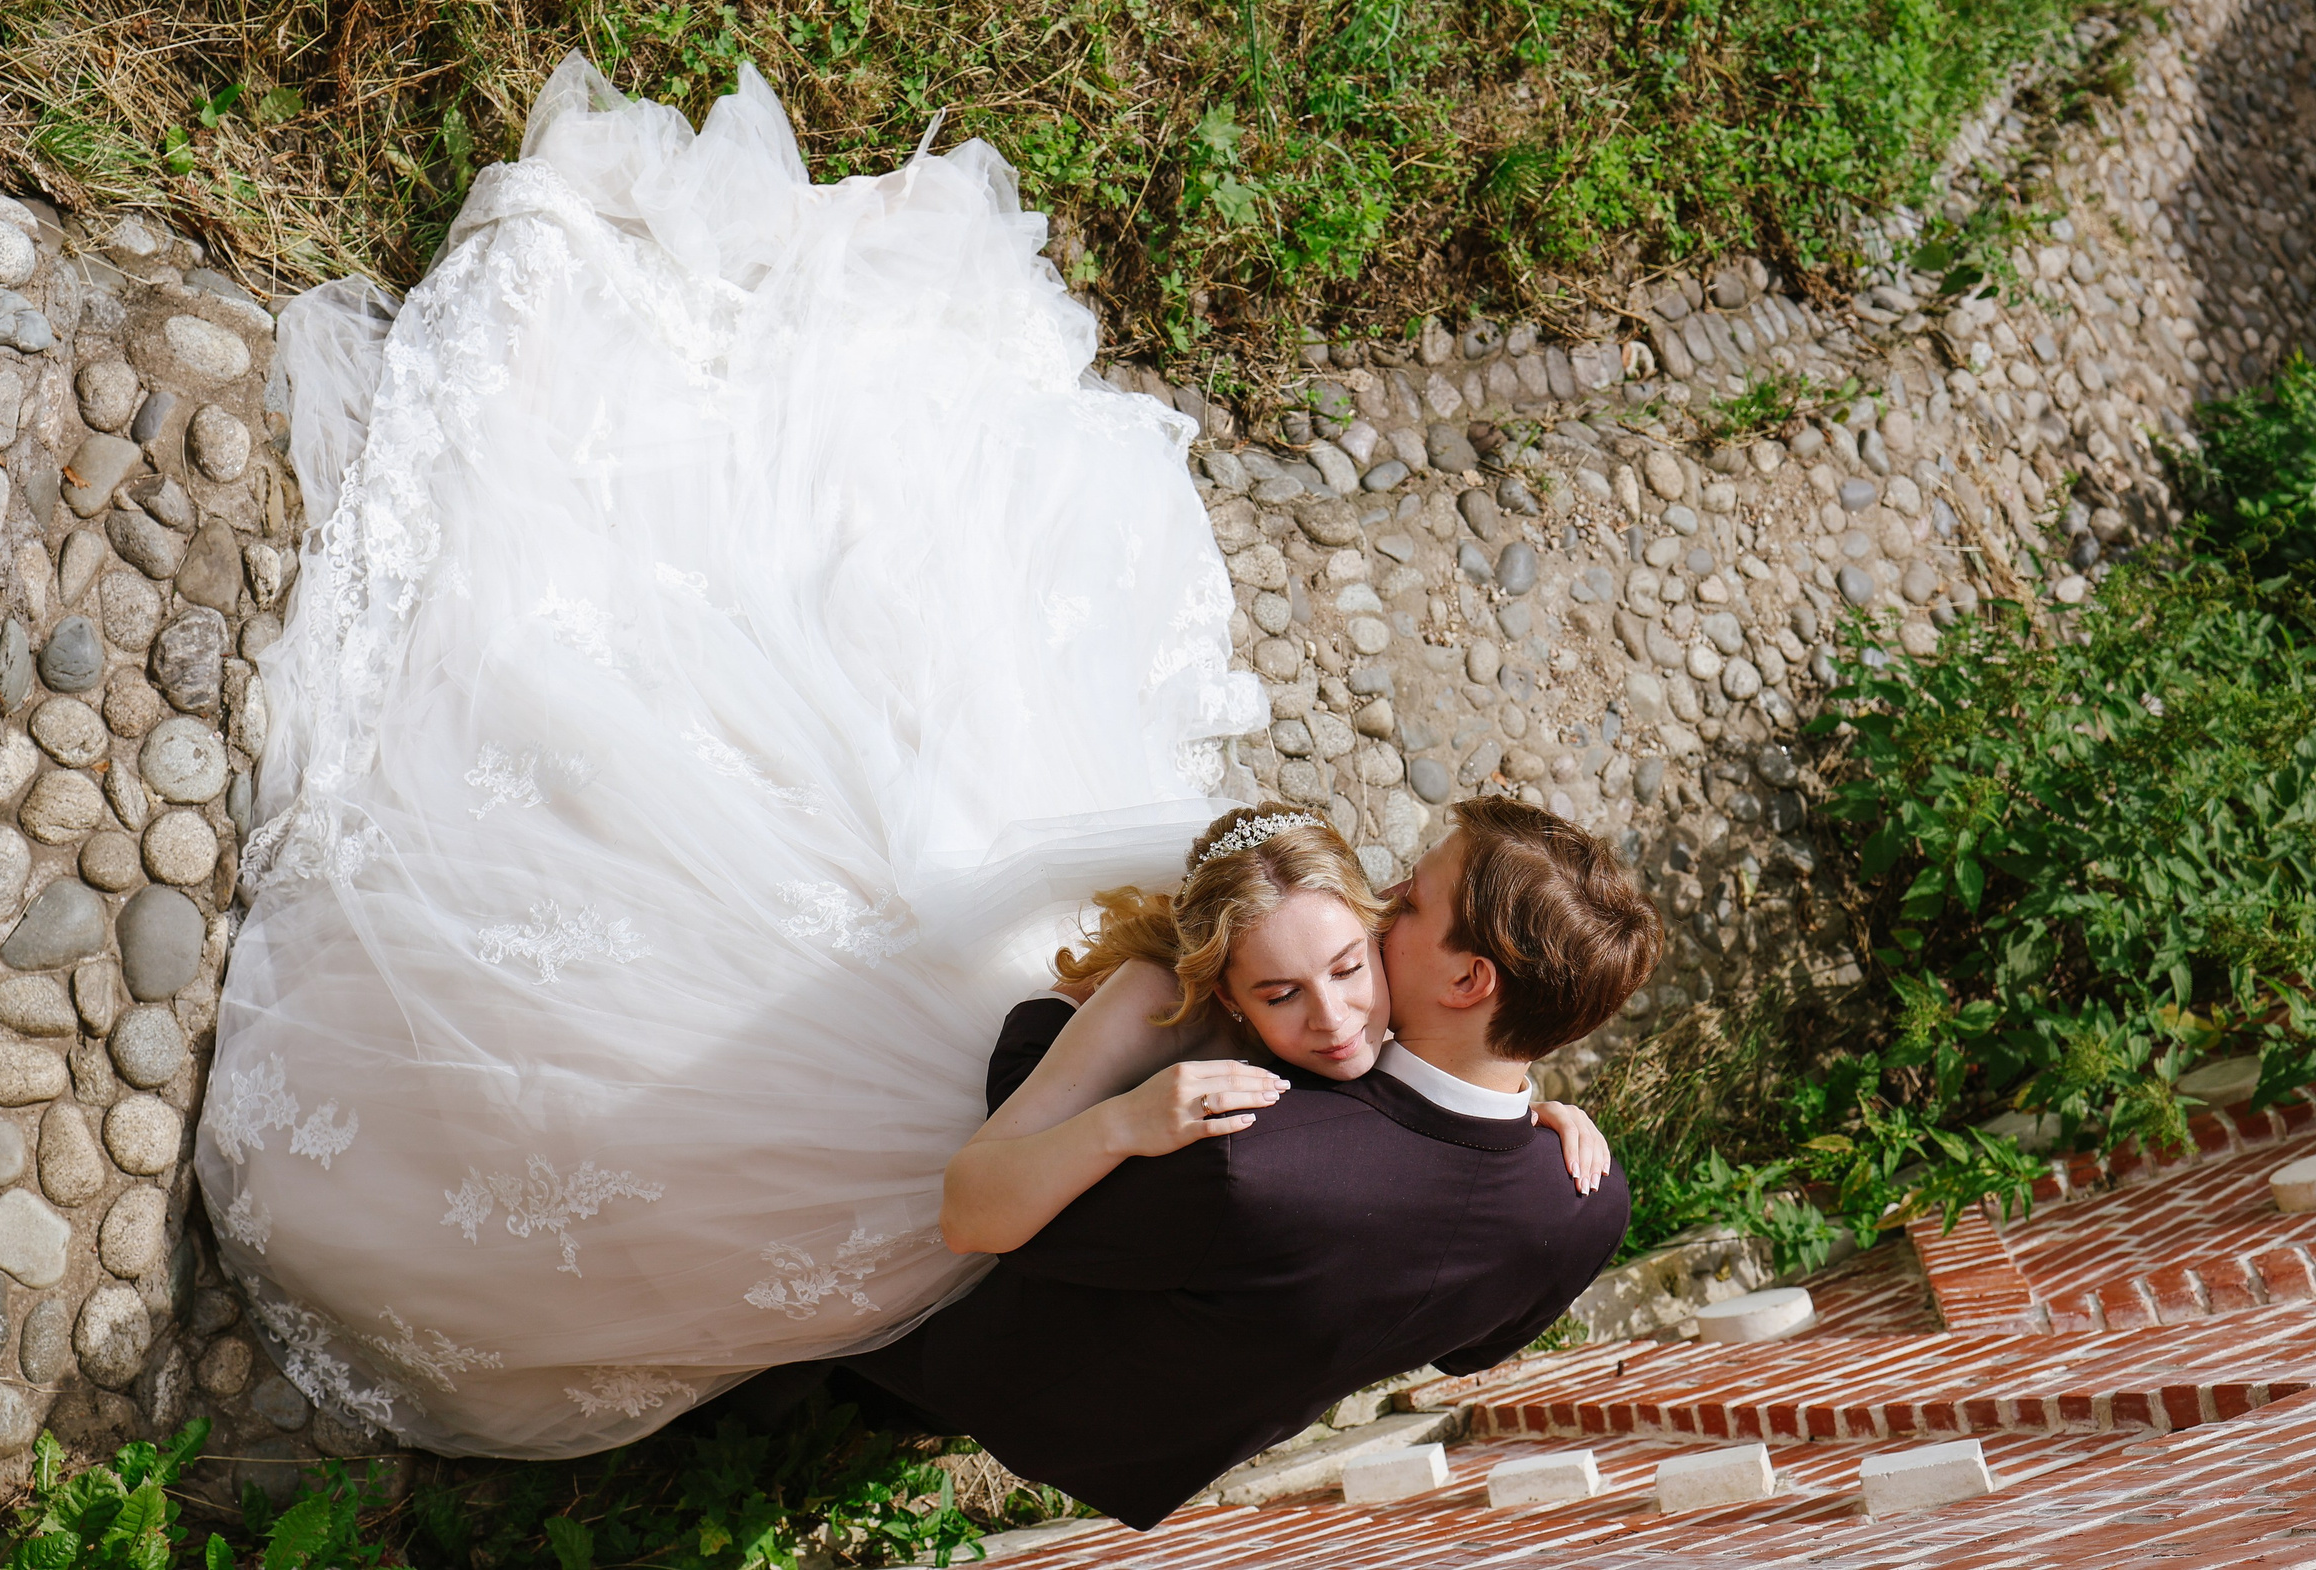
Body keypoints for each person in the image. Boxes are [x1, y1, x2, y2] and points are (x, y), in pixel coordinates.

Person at [203, 55, 1265, 1457]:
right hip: (1028, 1045)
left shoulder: (1295, 1071)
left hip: (980, 1122)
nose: (1330, 1005)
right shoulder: (1251, 986)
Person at [843, 796, 1662, 1528]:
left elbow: (1004, 1229)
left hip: (994, 1371)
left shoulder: (1247, 1158)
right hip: (1164, 1443)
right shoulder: (1591, 1202)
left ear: (1469, 978)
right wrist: (1526, 1107)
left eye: (1409, 901)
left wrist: (1102, 1065)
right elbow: (1467, 1351)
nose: (1383, 905)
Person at [938, 804, 1614, 1260]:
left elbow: (1461, 1063)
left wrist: (1528, 1110)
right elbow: (966, 1217)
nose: (1334, 1018)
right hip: (1042, 1091)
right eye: (1282, 994)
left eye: (1349, 968)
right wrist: (1124, 1122)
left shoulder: (1387, 957)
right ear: (1230, 998)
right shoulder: (1161, 999)